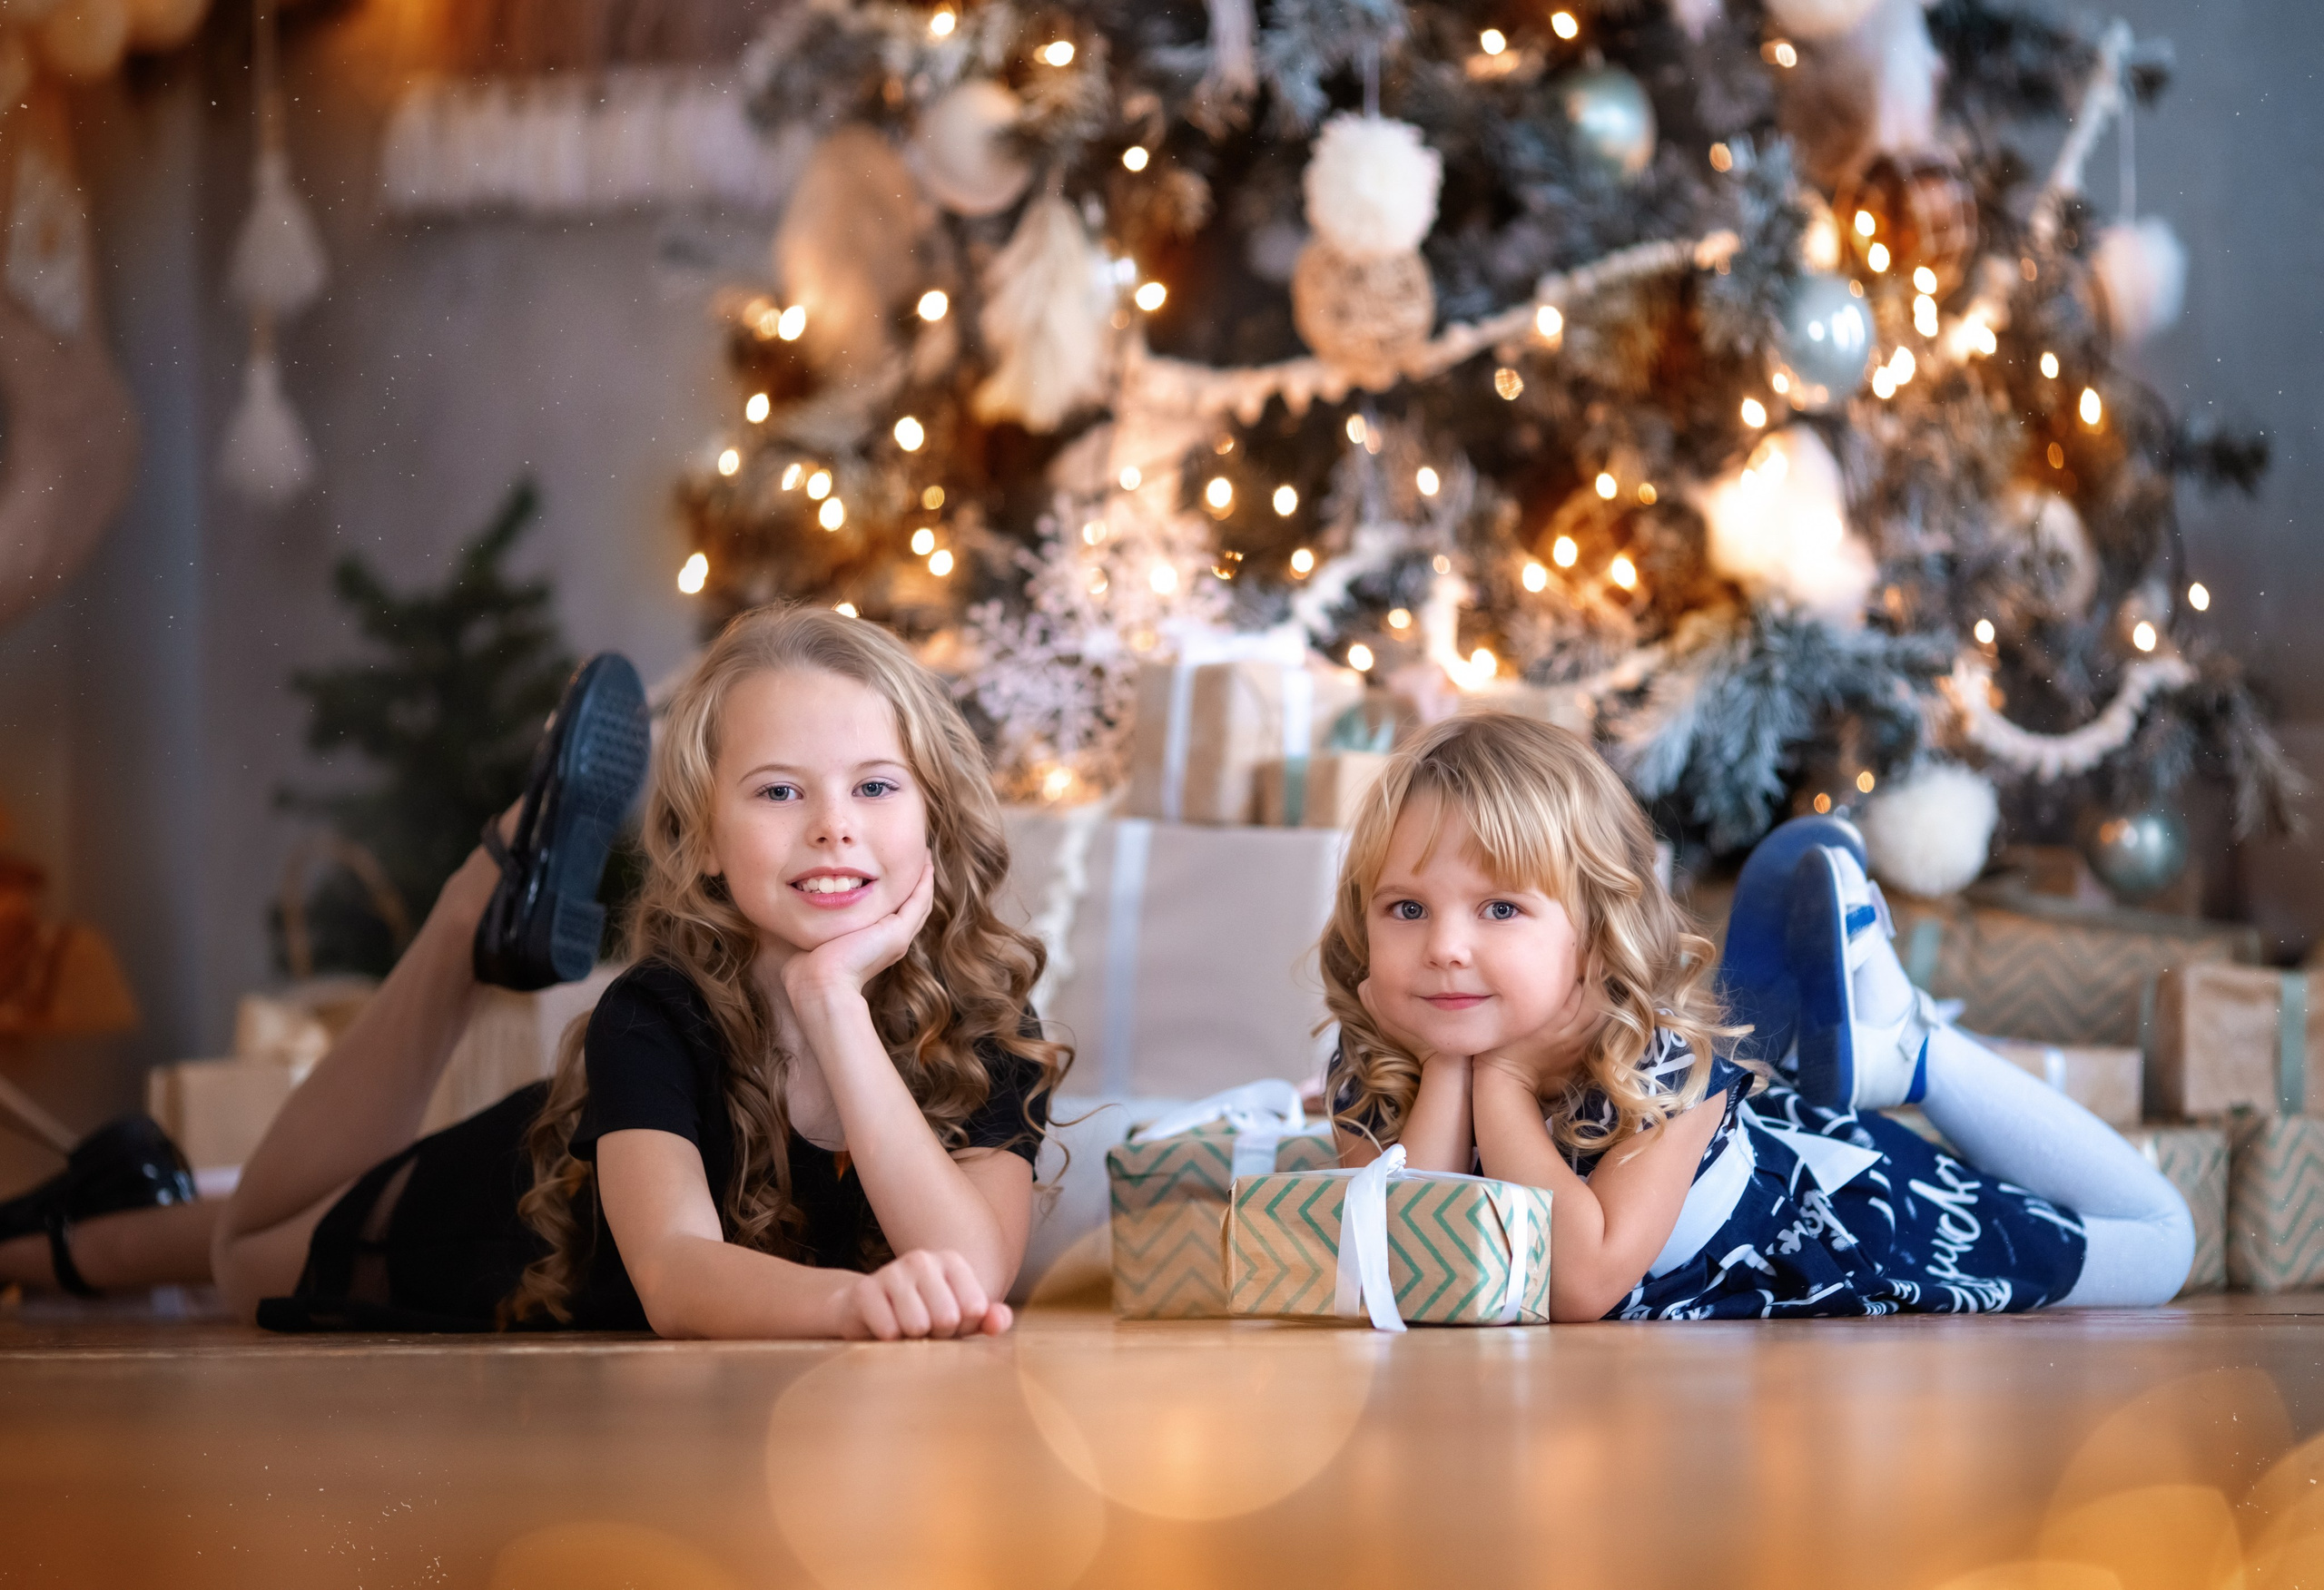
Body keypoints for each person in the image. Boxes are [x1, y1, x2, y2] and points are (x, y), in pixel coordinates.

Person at [0, 604, 1066, 1339]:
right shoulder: (655, 1015)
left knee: (215, 1233)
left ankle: (73, 1215)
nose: (834, 829)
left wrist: (833, 1007)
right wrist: (843, 1306)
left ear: (936, 812)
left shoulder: (979, 1025)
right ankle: (473, 904)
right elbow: (676, 1276)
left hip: (577, 1152)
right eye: (780, 794)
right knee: (240, 1260)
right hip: (501, 1217)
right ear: (699, 840)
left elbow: (968, 1275)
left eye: (875, 788)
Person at [1324, 712, 2195, 1322]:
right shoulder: (1376, 1064)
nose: (1443, 947)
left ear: (1594, 927)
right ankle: (1869, 1038)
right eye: (1406, 910)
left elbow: (1578, 1282)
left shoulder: (1662, 1056)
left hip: (1853, 1223)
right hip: (1741, 1199)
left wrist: (1502, 1077)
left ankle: (1917, 1050)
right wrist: (1448, 1068)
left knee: (2163, 1250)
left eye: (1498, 910)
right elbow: (1406, 1268)